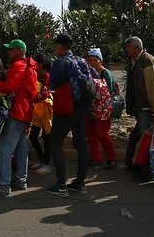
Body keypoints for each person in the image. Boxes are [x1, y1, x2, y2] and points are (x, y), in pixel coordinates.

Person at [0, 39, 37, 198]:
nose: (8, 52)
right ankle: (21, 180)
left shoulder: (18, 66)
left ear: (20, 51)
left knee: (4, 148)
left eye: (11, 49)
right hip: (26, 113)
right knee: (21, 148)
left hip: (17, 112)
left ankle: (3, 186)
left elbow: (9, 86)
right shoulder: (30, 67)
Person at [47, 34, 91, 197]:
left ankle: (61, 185)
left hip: (67, 108)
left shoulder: (60, 62)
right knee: (80, 144)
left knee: (55, 142)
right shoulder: (82, 60)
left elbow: (52, 83)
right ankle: (80, 183)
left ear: (59, 46)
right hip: (83, 108)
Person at [123, 36, 154, 180]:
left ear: (136, 47)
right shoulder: (135, 62)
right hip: (142, 109)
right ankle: (133, 163)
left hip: (148, 109)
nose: (126, 49)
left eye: (128, 46)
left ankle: (147, 172)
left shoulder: (147, 62)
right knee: (137, 137)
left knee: (147, 141)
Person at [85, 48, 118, 170]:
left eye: (95, 60)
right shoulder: (88, 73)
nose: (92, 62)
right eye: (90, 60)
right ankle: (96, 158)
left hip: (102, 110)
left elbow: (108, 92)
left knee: (102, 135)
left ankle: (112, 158)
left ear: (100, 61)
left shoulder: (105, 73)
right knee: (91, 135)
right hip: (91, 110)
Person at [29, 53, 53, 176]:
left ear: (41, 64)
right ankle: (42, 159)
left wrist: (31, 98)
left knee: (46, 137)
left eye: (35, 63)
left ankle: (46, 164)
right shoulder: (36, 75)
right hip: (37, 109)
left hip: (44, 108)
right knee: (33, 136)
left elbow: (44, 93)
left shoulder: (46, 76)